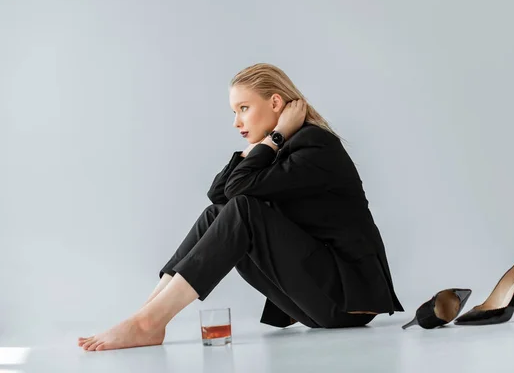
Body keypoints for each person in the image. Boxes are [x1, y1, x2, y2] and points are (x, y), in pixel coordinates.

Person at [78, 63, 404, 351]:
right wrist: (266, 143)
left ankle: (148, 323)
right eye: (234, 112)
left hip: (346, 301)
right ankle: (146, 316)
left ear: (275, 102)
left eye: (244, 108)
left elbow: (237, 193)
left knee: (244, 211)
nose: (237, 122)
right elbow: (218, 196)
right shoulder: (284, 147)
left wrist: (273, 138)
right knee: (217, 216)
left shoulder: (316, 145)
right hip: (320, 300)